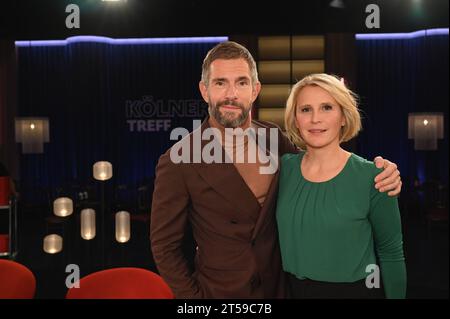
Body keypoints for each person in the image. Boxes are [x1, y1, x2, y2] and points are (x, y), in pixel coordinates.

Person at [150, 41, 402, 299]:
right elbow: (164, 246)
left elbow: (318, 167)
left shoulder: (273, 138)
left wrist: (379, 171)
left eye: (241, 82)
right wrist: (194, 300)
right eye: (220, 83)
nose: (231, 94)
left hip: (282, 288)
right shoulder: (178, 159)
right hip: (221, 294)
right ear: (205, 90)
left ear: (255, 89)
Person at [276, 73, 406, 299]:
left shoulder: (374, 176)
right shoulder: (282, 169)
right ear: (296, 119)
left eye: (327, 107)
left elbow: (391, 252)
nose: (315, 118)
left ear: (344, 117)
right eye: (306, 109)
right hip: (289, 290)